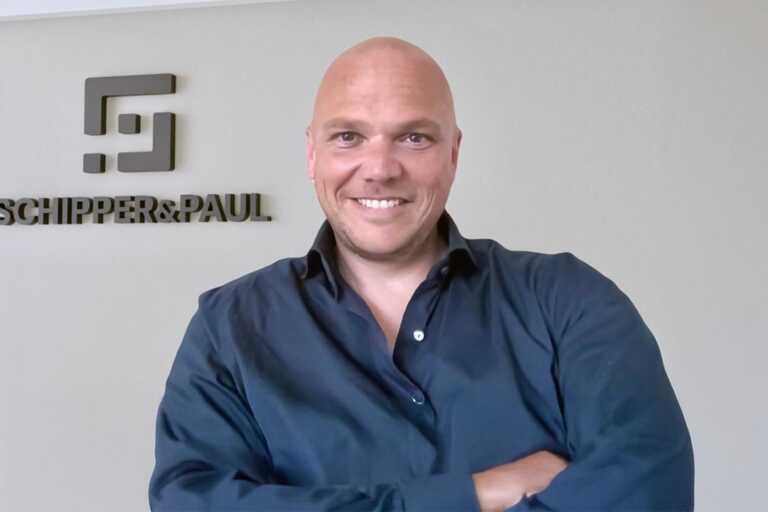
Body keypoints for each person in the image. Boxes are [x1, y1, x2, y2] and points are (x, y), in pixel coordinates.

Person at [149, 37, 694, 511]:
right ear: (312, 155)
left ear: (453, 154)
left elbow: (648, 492)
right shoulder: (230, 326)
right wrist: (474, 494)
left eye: (414, 137)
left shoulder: (569, 301)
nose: (380, 168)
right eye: (348, 137)